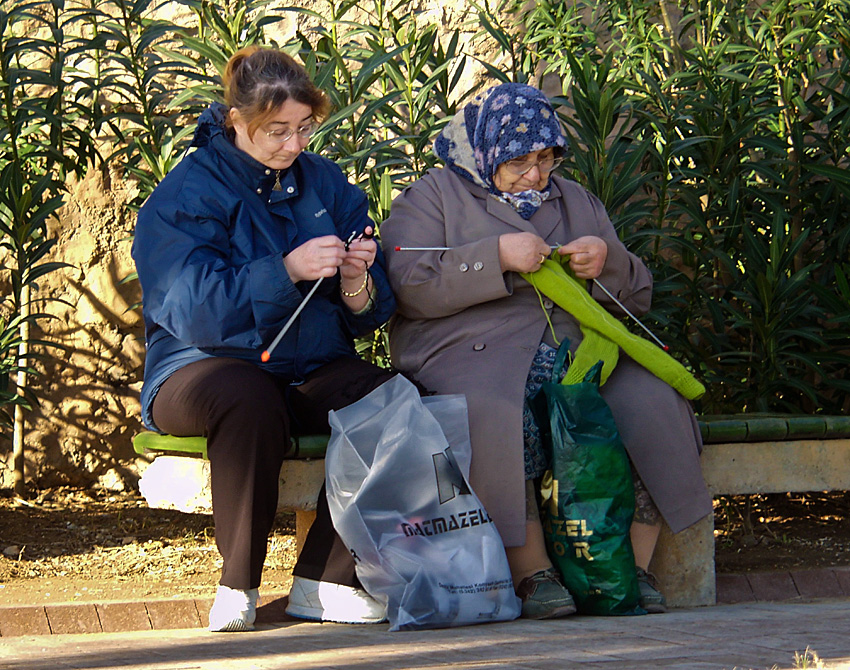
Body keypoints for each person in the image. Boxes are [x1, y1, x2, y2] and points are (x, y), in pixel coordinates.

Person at [380, 82, 713, 619]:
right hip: (470, 348)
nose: (535, 175)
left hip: (579, 348)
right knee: (500, 410)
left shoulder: (575, 198)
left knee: (653, 401)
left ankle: (630, 569)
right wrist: (495, 257)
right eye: (518, 162)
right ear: (486, 152)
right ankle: (531, 572)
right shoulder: (434, 195)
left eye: (546, 158)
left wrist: (607, 260)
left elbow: (638, 293)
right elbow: (405, 282)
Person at [132, 46, 397, 631]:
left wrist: (357, 280)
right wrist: (288, 270)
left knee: (395, 399)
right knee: (248, 397)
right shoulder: (189, 191)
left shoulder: (326, 182)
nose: (293, 145)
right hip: (198, 367)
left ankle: (325, 581)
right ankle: (238, 588)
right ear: (236, 121)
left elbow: (368, 311)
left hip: (307, 364)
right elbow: (190, 308)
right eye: (276, 131)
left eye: (304, 128)